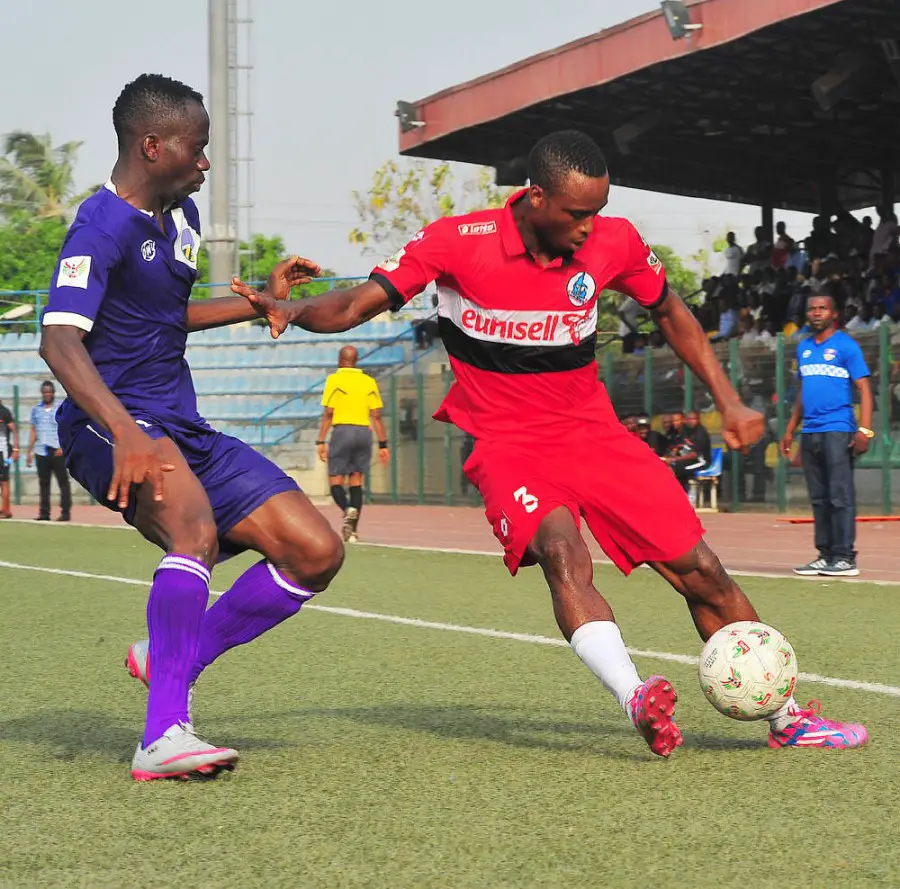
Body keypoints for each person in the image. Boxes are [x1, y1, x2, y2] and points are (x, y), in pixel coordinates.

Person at [234, 129, 866, 754]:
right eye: (577, 213)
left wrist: (727, 399)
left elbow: (670, 310)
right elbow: (357, 304)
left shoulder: (614, 242)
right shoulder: (457, 241)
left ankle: (788, 719)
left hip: (595, 436)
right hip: (507, 445)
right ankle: (636, 697)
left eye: (598, 211)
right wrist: (295, 311)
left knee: (701, 570)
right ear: (536, 197)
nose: (590, 227)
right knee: (564, 554)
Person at [39, 74, 344, 781]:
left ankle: (170, 655)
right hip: (108, 422)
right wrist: (126, 431)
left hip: (178, 422)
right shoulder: (100, 226)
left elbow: (162, 317)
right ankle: (163, 736)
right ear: (153, 146)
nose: (205, 162)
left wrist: (258, 302)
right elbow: (59, 339)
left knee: (316, 550)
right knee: (193, 531)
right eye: (196, 147)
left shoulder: (182, 219)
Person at [781, 294, 873, 577]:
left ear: (834, 314)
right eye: (812, 309)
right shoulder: (804, 347)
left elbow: (864, 389)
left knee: (839, 495)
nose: (817, 312)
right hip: (810, 431)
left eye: (822, 308)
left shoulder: (847, 346)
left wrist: (864, 429)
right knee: (819, 498)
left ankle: (845, 557)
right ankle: (825, 555)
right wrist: (790, 429)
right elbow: (803, 391)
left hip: (838, 429)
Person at [316, 344, 390, 542]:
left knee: (335, 481)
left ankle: (347, 508)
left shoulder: (334, 380)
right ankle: (353, 533)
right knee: (356, 480)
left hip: (343, 431)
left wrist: (320, 440)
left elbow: (329, 413)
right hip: (364, 433)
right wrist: (383, 444)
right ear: (356, 361)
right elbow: (376, 416)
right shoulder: (368, 381)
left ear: (340, 360)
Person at [26, 381, 71, 521]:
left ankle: (65, 513)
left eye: (49, 392)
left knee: (63, 482)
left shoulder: (60, 408)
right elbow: (34, 430)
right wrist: (29, 451)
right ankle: (44, 513)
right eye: (45, 392)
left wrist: (63, 447)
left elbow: (66, 428)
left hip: (56, 450)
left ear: (53, 393)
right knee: (44, 483)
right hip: (41, 451)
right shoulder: (36, 410)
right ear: (42, 393)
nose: (47, 394)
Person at [0, 396, 19, 518]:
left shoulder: (4, 412)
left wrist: (16, 449)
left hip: (3, 452)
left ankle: (6, 510)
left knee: (4, 481)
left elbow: (14, 431)